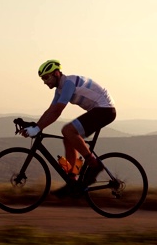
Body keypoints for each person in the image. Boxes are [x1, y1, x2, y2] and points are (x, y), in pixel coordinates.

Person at [20, 59, 116, 197]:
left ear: (57, 73)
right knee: (68, 138)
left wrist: (38, 129)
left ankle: (94, 164)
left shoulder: (68, 83)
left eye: (47, 77)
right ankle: (72, 181)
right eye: (42, 79)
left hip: (105, 109)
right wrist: (36, 126)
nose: (45, 82)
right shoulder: (60, 89)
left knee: (67, 130)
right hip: (99, 110)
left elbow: (58, 110)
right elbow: (51, 110)